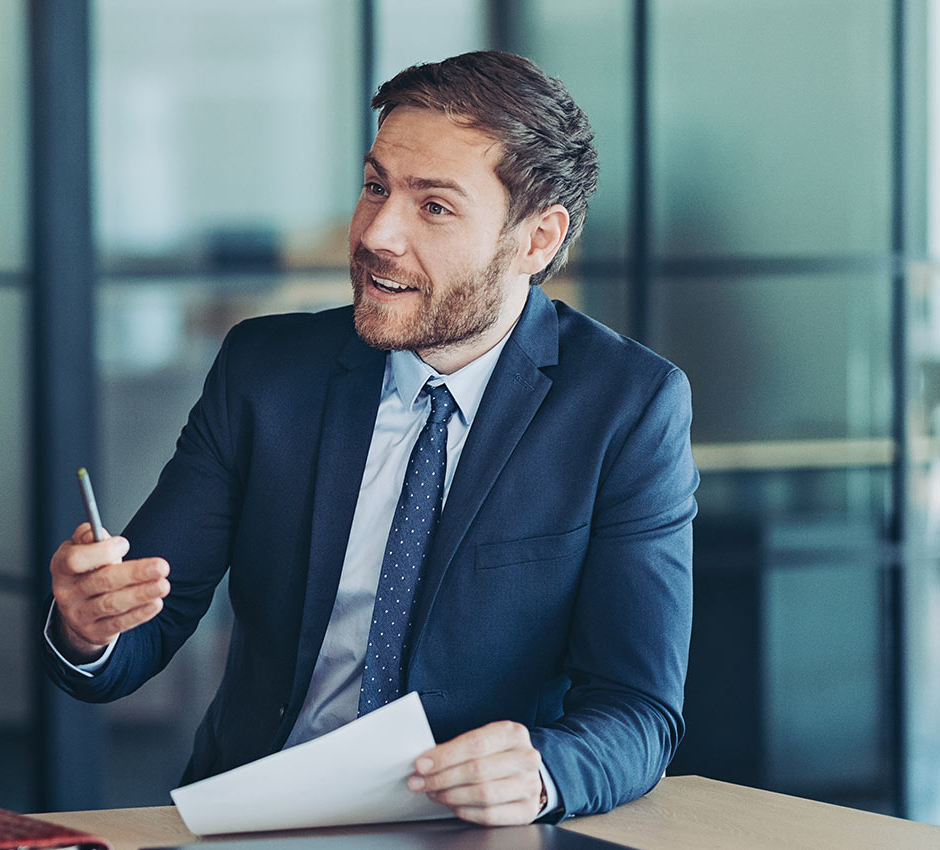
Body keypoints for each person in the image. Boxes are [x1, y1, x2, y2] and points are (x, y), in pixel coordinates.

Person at [44, 51, 696, 825]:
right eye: (375, 186)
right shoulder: (266, 370)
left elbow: (635, 710)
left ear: (535, 240)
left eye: (434, 207)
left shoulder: (626, 406)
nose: (377, 233)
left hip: (470, 830)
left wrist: (542, 773)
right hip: (256, 817)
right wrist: (89, 628)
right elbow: (142, 627)